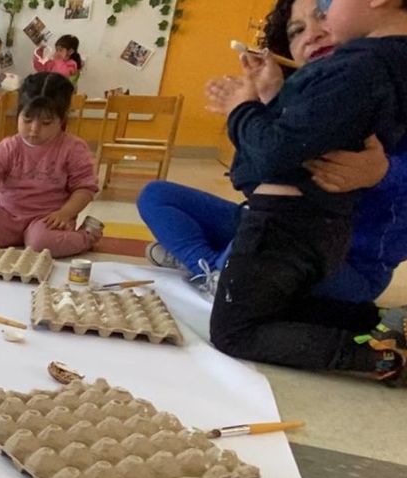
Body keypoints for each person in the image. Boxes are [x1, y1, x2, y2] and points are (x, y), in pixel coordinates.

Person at [140, 0, 406, 305]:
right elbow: (255, 179)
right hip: (274, 228)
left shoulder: (380, 79)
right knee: (157, 195)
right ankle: (210, 268)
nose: (313, 34)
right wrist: (270, 100)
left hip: (342, 263)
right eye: (296, 31)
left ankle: (216, 267)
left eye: (324, 14)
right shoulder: (313, 99)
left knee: (263, 234)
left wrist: (384, 173)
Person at [203, 0, 407, 382]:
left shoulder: (357, 68)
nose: (318, 27)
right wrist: (272, 97)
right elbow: (288, 145)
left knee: (233, 331)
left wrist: (241, 109)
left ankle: (379, 358)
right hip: (325, 226)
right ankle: (371, 323)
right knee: (281, 304)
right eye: (297, 30)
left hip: (285, 224)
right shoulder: (381, 67)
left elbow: (272, 155)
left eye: (326, 6)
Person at [0, 72, 102, 257]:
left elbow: (85, 188)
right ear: (18, 115)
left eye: (46, 123)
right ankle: (21, 235)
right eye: (27, 120)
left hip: (49, 218)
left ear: (62, 121)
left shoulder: (73, 148)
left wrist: (65, 213)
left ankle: (88, 235)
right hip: (8, 214)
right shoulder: (10, 146)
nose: (34, 129)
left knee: (40, 243)